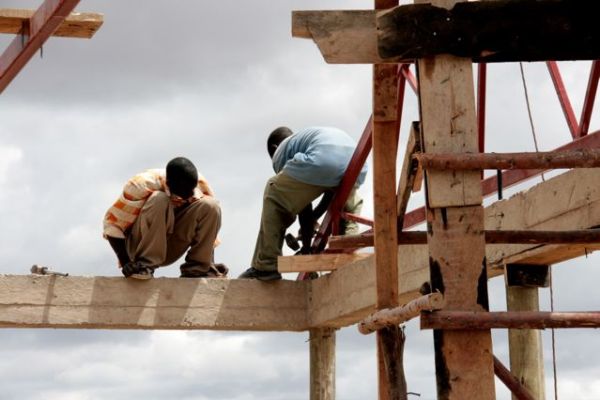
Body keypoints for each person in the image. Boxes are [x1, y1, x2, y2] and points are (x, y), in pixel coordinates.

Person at [239, 126, 367, 281]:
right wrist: (313, 219)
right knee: (349, 208)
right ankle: (347, 256)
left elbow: (303, 205)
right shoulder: (309, 138)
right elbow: (330, 193)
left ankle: (266, 265)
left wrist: (306, 247)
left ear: (274, 148)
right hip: (357, 162)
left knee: (274, 193)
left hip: (322, 161)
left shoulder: (280, 152)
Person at [103, 157, 227, 280]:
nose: (189, 195)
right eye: (184, 193)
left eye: (191, 191)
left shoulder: (199, 183)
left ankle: (197, 269)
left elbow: (208, 229)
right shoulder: (140, 185)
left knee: (211, 205)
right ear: (168, 184)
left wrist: (208, 262)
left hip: (171, 245)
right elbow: (112, 225)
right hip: (139, 246)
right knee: (159, 199)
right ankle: (144, 265)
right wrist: (126, 263)